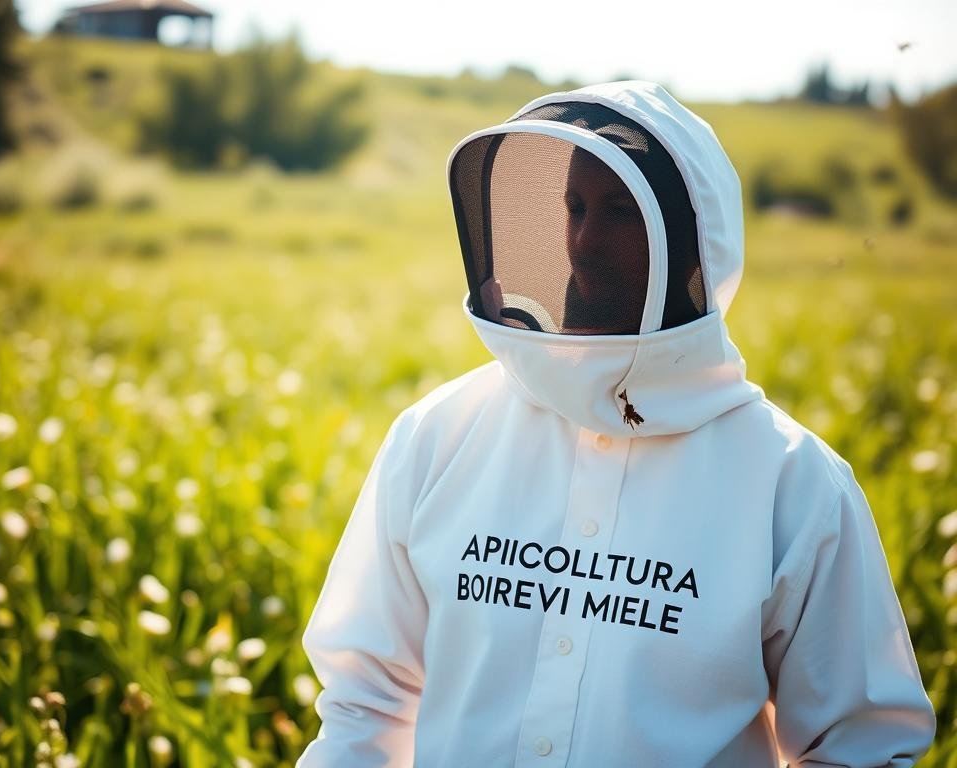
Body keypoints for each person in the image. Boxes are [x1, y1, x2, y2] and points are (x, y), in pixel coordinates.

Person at [295, 80, 936, 767]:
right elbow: (365, 710)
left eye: (621, 210)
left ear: (696, 243)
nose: (583, 239)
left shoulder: (791, 482)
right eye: (572, 206)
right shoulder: (436, 436)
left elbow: (860, 746)